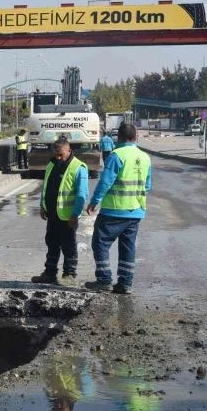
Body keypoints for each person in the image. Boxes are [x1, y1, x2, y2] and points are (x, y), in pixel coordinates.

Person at [85, 123, 152, 295]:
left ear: (119, 137)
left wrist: (95, 201)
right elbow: (148, 185)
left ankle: (104, 280)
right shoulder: (145, 157)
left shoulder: (116, 155)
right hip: (136, 211)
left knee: (100, 244)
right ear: (135, 137)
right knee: (128, 247)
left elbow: (106, 181)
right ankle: (125, 283)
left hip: (114, 210)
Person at [31, 136, 88, 286]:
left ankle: (69, 274)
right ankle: (50, 273)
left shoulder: (78, 167)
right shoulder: (52, 164)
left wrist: (75, 215)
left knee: (68, 245)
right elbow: (46, 187)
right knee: (52, 243)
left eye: (61, 155)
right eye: (56, 154)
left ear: (69, 150)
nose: (58, 157)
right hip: (52, 214)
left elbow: (82, 194)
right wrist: (43, 206)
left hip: (67, 216)